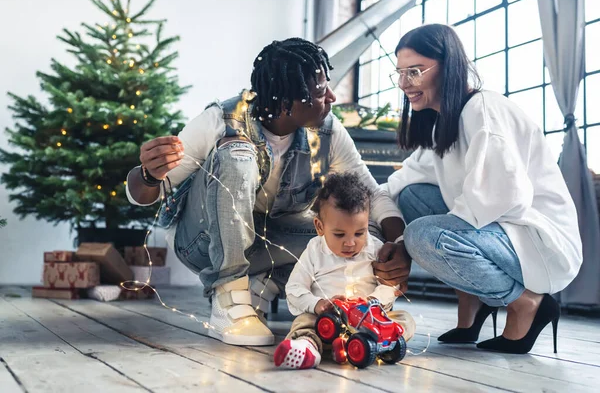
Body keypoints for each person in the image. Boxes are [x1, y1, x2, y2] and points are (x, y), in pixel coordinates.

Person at [126, 38, 410, 347]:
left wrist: (396, 245)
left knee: (358, 227)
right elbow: (146, 193)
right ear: (287, 102)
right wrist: (148, 174)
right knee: (237, 155)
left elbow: (373, 195)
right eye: (318, 92)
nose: (331, 96)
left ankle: (268, 286)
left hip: (270, 241)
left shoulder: (327, 131)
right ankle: (229, 296)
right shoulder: (221, 121)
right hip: (202, 244)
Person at [384, 24, 582, 354]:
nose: (404, 84)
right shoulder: (443, 123)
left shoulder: (482, 110)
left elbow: (505, 199)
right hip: (503, 235)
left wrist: (406, 244)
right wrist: (357, 214)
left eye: (415, 71)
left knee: (423, 236)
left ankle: (528, 303)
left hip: (538, 242)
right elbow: (400, 184)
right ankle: (471, 306)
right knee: (413, 196)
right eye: (400, 73)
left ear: (448, 67)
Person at [273, 173, 415, 369]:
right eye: (339, 234)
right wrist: (318, 304)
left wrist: (373, 301)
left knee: (404, 319)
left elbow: (391, 285)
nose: (350, 243)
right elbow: (294, 288)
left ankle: (368, 346)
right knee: (304, 321)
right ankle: (307, 348)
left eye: (359, 233)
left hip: (368, 319)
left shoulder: (375, 248)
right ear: (320, 227)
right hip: (327, 319)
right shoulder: (314, 251)